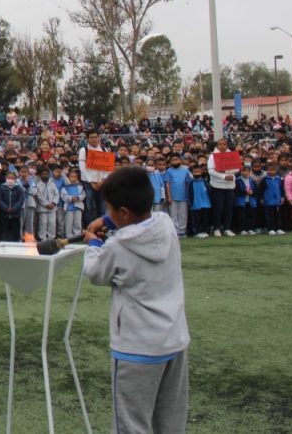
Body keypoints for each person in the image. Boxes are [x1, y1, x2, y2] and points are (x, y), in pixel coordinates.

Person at [83, 167, 189, 433]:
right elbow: (137, 220)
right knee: (171, 423)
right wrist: (108, 221)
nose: (107, 213)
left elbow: (95, 273)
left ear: (124, 212)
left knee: (131, 425)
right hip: (174, 339)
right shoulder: (165, 223)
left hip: (136, 347)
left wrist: (93, 244)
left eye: (109, 209)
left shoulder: (117, 246)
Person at [207, 138, 239, 238]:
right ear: (217, 145)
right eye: (220, 144)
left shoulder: (231, 155)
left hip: (230, 185)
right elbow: (211, 171)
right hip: (217, 185)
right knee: (218, 208)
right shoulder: (213, 156)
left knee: (228, 208)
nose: (222, 146)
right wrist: (224, 176)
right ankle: (217, 228)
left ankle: (227, 228)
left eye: (224, 144)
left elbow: (236, 168)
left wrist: (229, 174)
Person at [78, 131, 110, 222]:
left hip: (101, 182)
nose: (94, 139)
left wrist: (102, 180)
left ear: (98, 137)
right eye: (91, 137)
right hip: (88, 183)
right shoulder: (84, 150)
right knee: (88, 207)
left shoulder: (104, 149)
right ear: (87, 139)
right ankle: (88, 227)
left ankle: (101, 227)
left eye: (95, 137)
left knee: (102, 208)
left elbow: (108, 168)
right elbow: (82, 168)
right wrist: (91, 182)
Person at [164, 155, 190, 238]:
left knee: (183, 214)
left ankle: (182, 230)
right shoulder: (169, 171)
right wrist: (169, 196)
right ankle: (175, 231)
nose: (175, 161)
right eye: (173, 160)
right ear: (170, 162)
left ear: (180, 160)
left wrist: (188, 195)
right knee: (173, 214)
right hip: (173, 196)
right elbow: (167, 184)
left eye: (176, 159)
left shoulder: (186, 170)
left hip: (183, 196)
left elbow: (188, 182)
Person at [0, 171, 25, 243]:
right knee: (5, 230)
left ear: (15, 179)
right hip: (4, 214)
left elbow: (20, 200)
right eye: (9, 178)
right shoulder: (2, 187)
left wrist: (14, 208)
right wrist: (5, 208)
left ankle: (16, 242)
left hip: (16, 214)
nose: (10, 180)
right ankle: (6, 243)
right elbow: (0, 199)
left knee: (16, 230)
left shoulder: (19, 188)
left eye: (12, 178)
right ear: (6, 178)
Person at [60, 168, 86, 239]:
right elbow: (63, 197)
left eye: (75, 177)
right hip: (69, 208)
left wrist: (78, 197)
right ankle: (69, 235)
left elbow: (83, 195)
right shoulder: (65, 187)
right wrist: (71, 198)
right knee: (69, 222)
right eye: (71, 177)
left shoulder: (80, 186)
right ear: (68, 178)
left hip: (78, 207)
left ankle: (77, 235)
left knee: (77, 221)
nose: (73, 179)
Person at [187, 165, 212, 238]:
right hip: (195, 204)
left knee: (205, 218)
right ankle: (197, 232)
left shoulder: (204, 181)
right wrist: (190, 201)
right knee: (196, 219)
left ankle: (205, 231)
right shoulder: (191, 182)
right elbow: (190, 193)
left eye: (198, 172)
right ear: (192, 173)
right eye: (195, 172)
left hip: (205, 203)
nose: (197, 173)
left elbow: (208, 191)